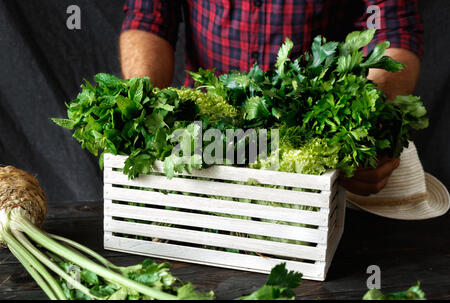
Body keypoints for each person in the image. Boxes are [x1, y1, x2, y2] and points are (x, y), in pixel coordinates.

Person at [119, 0, 423, 196]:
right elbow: (148, 16)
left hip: (312, 154)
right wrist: (147, 108)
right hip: (202, 142)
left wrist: (366, 127)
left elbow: (394, 29)